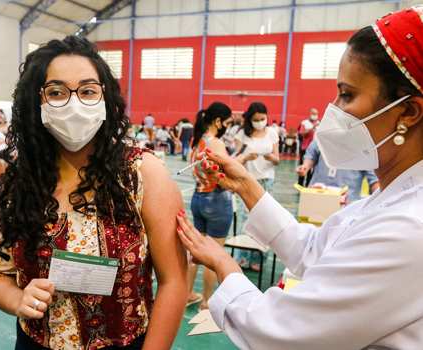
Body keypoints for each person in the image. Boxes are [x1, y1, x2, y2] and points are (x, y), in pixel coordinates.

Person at [176, 7, 423, 349]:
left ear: (408, 112)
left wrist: (222, 263)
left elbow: (278, 331)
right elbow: (315, 249)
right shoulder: (392, 198)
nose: (333, 108)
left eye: (347, 95)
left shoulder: (409, 227)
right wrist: (246, 185)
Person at [0, 36, 188, 350]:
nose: (74, 104)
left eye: (88, 90)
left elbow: (174, 282)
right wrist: (19, 298)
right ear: (36, 103)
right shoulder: (17, 182)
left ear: (105, 98)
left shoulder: (141, 173)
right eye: (57, 92)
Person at [186, 102, 233, 310]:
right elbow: (229, 173)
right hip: (216, 199)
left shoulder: (197, 142)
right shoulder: (216, 144)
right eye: (227, 122)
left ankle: (187, 294)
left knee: (196, 252)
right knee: (213, 254)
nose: (228, 126)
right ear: (217, 121)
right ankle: (206, 301)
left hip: (198, 198)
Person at [234, 102, 279, 271]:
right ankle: (242, 257)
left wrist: (271, 158)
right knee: (246, 220)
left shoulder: (272, 133)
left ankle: (258, 258)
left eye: (263, 119)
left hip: (266, 180)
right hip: (247, 180)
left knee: (263, 218)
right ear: (249, 119)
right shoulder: (242, 135)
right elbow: (236, 159)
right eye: (256, 119)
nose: (260, 122)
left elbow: (278, 158)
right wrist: (246, 157)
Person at [297, 140, 379, 203]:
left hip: (346, 203)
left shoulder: (364, 147)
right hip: (317, 195)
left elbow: (374, 180)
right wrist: (305, 166)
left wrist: (379, 200)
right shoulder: (324, 137)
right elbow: (311, 154)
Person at [298, 108, 320, 186]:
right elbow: (302, 133)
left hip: (315, 150)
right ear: (310, 113)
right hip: (305, 148)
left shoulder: (319, 123)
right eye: (313, 114)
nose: (315, 116)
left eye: (316, 114)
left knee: (312, 169)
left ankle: (308, 185)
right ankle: (300, 184)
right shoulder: (304, 123)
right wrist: (312, 127)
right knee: (303, 166)